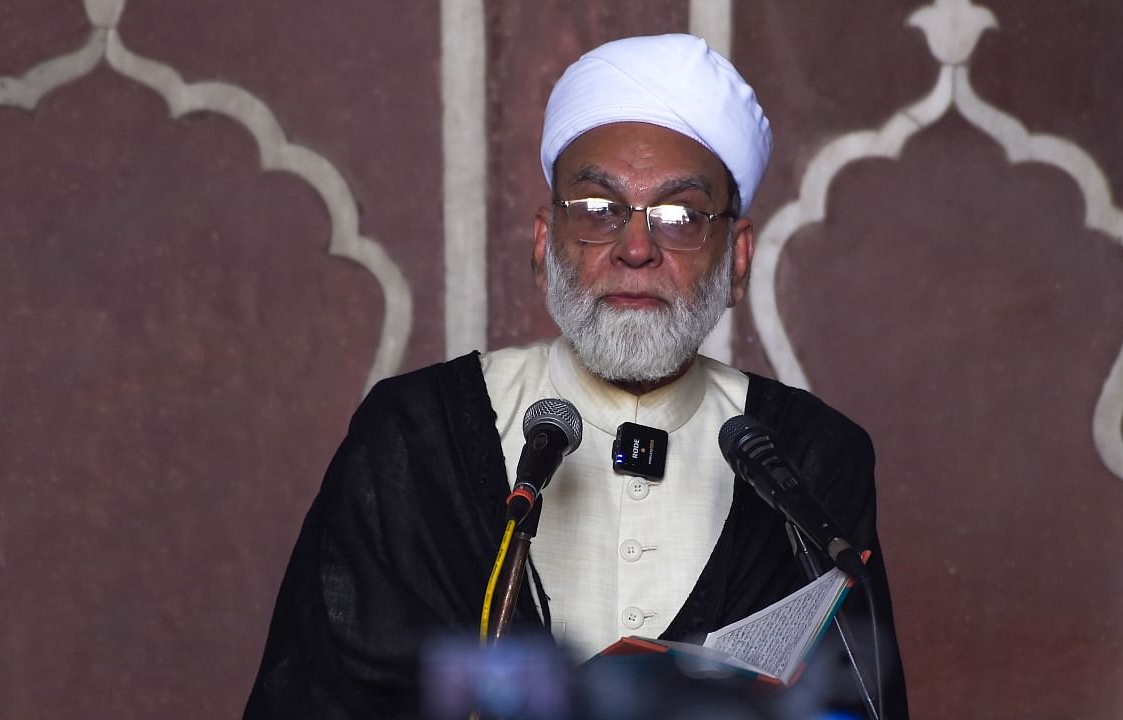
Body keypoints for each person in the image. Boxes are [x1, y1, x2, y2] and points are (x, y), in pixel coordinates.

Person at [244, 34, 906, 719]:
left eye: (679, 217)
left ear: (736, 260)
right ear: (544, 244)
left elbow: (858, 701)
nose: (637, 247)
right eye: (598, 211)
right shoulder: (415, 439)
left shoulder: (811, 461)